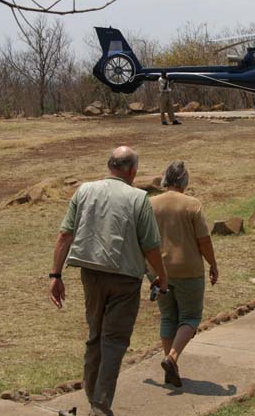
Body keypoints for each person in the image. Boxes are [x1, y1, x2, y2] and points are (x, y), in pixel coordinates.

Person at [49, 146, 167, 416]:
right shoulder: (139, 198)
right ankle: (100, 408)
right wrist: (161, 275)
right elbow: (150, 246)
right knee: (113, 341)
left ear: (110, 166)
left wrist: (55, 275)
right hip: (125, 280)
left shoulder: (84, 190)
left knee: (95, 338)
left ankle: (94, 401)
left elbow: (64, 236)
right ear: (132, 171)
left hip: (90, 275)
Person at [150, 160, 217, 387]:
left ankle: (171, 368)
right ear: (184, 181)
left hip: (158, 270)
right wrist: (213, 264)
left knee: (168, 316)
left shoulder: (150, 204)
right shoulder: (192, 204)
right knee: (190, 317)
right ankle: (172, 358)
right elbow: (204, 241)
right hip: (188, 269)